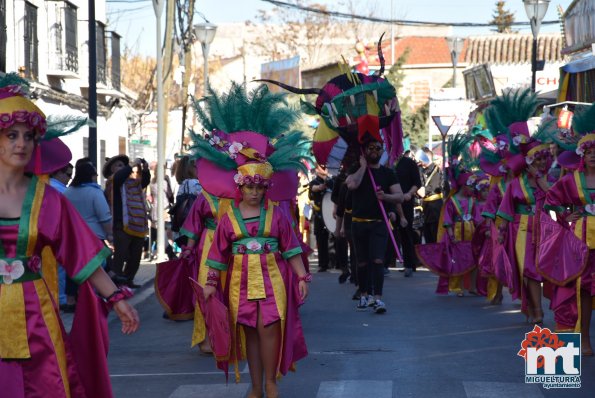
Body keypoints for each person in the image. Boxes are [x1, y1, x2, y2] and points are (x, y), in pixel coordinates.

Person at [0, 74, 139, 398]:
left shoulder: (49, 200)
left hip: (36, 314)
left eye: (28, 136)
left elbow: (82, 257)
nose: (21, 143)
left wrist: (116, 299)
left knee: (47, 385)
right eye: (11, 135)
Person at [204, 162, 309, 398]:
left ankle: (271, 383)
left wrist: (302, 277)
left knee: (269, 328)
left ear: (266, 189)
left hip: (274, 278)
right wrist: (210, 283)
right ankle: (255, 386)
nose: (254, 192)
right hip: (239, 282)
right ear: (240, 188)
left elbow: (291, 248)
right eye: (249, 187)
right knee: (250, 331)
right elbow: (218, 253)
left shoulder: (278, 214)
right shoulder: (228, 217)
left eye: (259, 188)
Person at [543, 105, 595, 356]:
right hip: (581, 244)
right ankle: (584, 339)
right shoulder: (570, 181)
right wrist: (564, 217)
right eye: (589, 151)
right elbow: (549, 205)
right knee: (582, 291)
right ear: (581, 155)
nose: (594, 155)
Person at [346, 138, 404, 313]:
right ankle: (364, 295)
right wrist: (363, 167)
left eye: (378, 148)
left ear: (382, 151)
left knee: (378, 260)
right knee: (362, 262)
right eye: (370, 147)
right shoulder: (356, 170)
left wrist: (385, 197)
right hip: (358, 224)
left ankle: (378, 299)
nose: (374, 151)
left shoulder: (388, 173)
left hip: (379, 224)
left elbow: (400, 196)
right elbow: (351, 184)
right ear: (364, 151)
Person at [104, 155, 151, 288]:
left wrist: (145, 169)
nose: (122, 167)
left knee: (135, 256)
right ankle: (115, 284)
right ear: (111, 170)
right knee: (121, 254)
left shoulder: (134, 182)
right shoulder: (113, 181)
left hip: (137, 225)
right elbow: (119, 177)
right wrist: (131, 165)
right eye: (118, 165)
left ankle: (128, 279)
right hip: (121, 224)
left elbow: (145, 182)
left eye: (123, 165)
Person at [393, 152, 422, 277]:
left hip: (405, 201)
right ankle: (385, 264)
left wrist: (410, 193)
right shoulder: (385, 162)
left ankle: (409, 264)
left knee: (406, 232)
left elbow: (417, 182)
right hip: (389, 201)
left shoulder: (409, 163)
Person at [308, 165, 330, 272]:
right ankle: (323, 264)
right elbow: (313, 188)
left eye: (325, 167)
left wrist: (328, 179)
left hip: (331, 214)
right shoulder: (314, 182)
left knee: (333, 239)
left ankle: (335, 262)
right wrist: (321, 186)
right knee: (321, 239)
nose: (324, 170)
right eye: (321, 167)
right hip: (319, 214)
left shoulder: (332, 180)